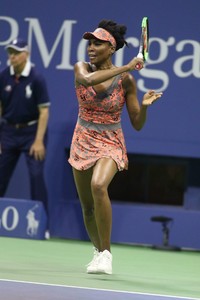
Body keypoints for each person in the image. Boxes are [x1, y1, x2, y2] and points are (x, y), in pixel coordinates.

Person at [68, 19, 163, 275]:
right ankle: (98, 252)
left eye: (98, 43)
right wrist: (126, 66)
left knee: (98, 185)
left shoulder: (126, 82)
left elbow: (137, 124)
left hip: (111, 140)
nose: (91, 47)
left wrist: (144, 106)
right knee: (87, 208)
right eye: (90, 42)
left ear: (111, 48)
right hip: (83, 139)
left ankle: (107, 254)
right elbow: (87, 81)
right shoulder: (81, 68)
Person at [0, 38, 51, 235]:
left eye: (16, 52)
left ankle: (43, 227)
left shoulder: (37, 78)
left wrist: (38, 141)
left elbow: (44, 112)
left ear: (26, 54)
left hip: (32, 132)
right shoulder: (3, 76)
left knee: (36, 176)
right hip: (8, 132)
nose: (12, 56)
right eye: (10, 52)